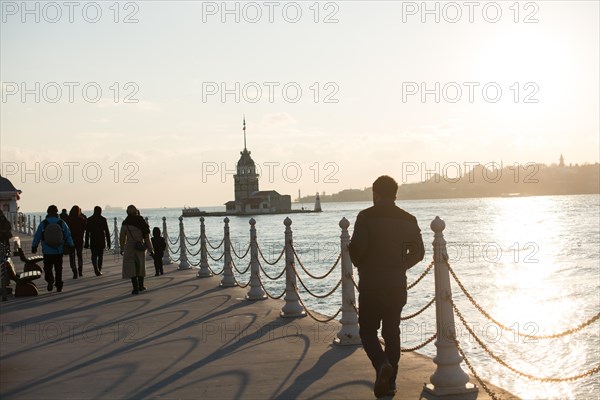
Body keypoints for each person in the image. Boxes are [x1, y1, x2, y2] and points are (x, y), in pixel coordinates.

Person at [349, 175, 425, 398]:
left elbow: (358, 250)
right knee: (392, 332)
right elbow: (418, 253)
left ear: (375, 194)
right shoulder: (409, 220)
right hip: (396, 284)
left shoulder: (365, 217)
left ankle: (382, 364)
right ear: (395, 194)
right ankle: (390, 383)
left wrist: (358, 259)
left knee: (367, 331)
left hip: (372, 284)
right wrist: (400, 265)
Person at [32, 205, 75, 292]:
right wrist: (71, 245)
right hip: (58, 250)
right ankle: (59, 285)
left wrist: (34, 246)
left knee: (47, 268)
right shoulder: (61, 222)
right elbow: (67, 235)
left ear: (48, 212)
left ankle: (50, 279)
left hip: (47, 251)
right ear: (56, 212)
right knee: (58, 269)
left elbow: (37, 235)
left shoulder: (43, 223)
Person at [119, 205, 154, 294]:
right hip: (140, 246)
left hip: (129, 247)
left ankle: (135, 288)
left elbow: (122, 237)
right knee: (141, 266)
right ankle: (141, 285)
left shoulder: (125, 223)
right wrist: (151, 249)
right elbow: (146, 237)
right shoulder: (141, 221)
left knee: (131, 267)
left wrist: (122, 248)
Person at [84, 206, 111, 276]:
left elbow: (87, 232)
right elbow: (107, 231)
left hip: (93, 239)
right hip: (101, 239)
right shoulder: (103, 219)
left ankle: (96, 268)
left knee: (94, 255)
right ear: (100, 211)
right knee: (100, 256)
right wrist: (109, 242)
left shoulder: (89, 219)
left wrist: (86, 242)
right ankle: (99, 269)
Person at [65, 205, 86, 279]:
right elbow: (85, 228)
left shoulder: (68, 220)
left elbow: (66, 231)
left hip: (71, 240)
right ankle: (80, 271)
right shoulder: (81, 219)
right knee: (79, 255)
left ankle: (74, 271)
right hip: (79, 240)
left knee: (72, 256)